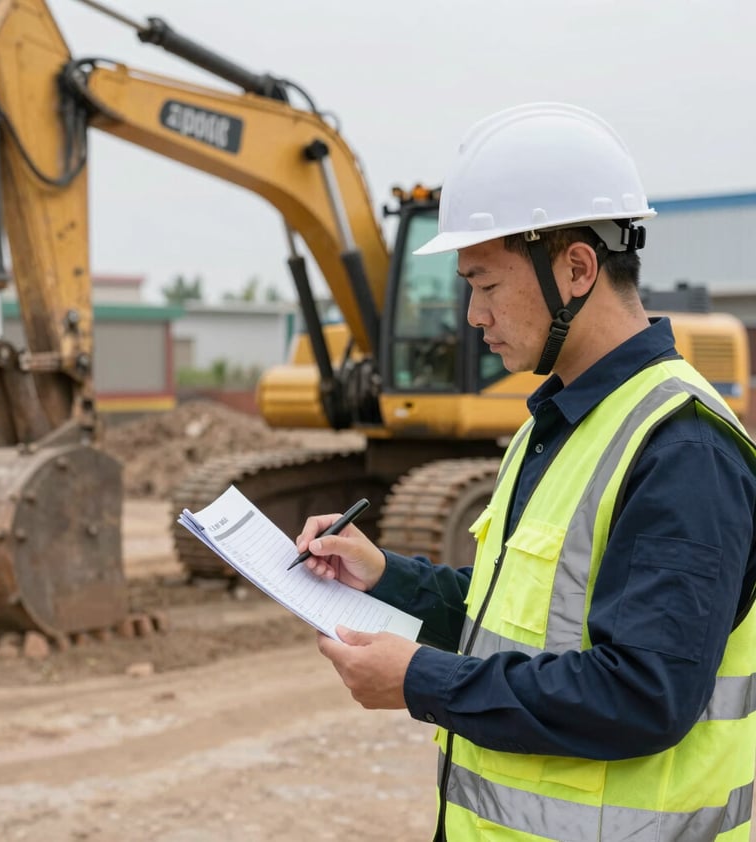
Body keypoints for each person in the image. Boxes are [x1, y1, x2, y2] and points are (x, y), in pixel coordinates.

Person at [295, 103, 756, 841]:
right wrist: (385, 576)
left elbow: (645, 693)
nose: (473, 316)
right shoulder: (557, 425)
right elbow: (511, 623)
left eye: (486, 284)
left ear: (576, 267)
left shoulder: (681, 451)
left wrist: (420, 680)